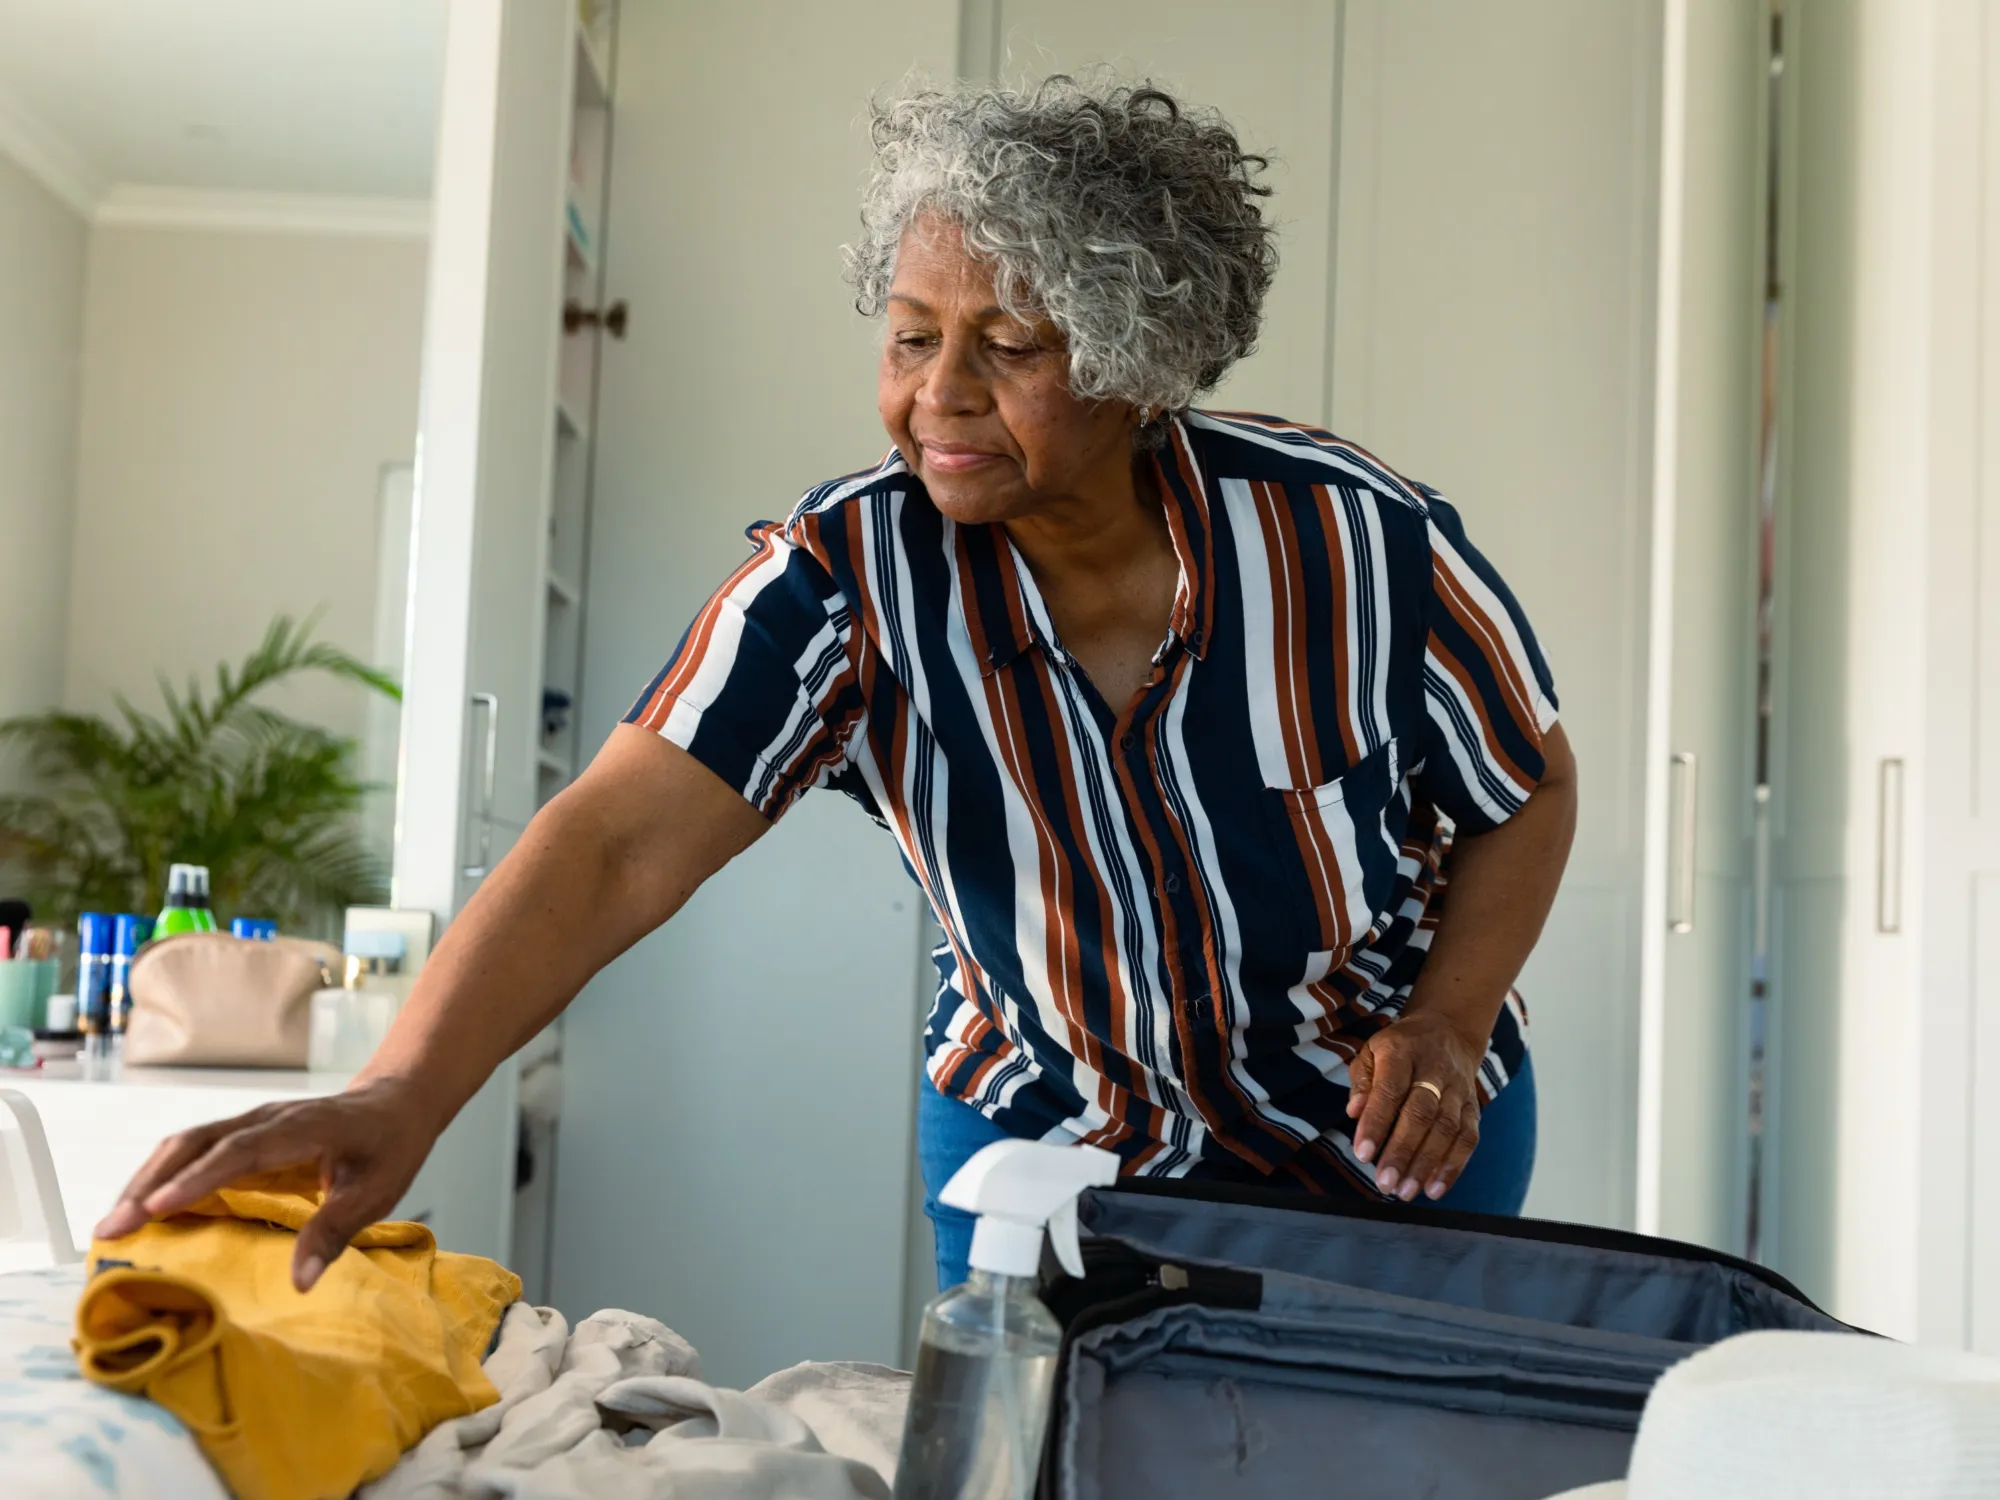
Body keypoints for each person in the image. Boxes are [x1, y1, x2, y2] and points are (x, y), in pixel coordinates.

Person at [98, 77, 1576, 1293]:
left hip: (1384, 1139)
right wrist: (402, 1093)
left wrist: (1450, 1021)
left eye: (1008, 348)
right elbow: (613, 840)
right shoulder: (845, 578)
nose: (939, 393)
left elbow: (1527, 785)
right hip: (1044, 1135)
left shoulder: (1353, 540)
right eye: (911, 338)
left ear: (1142, 363)